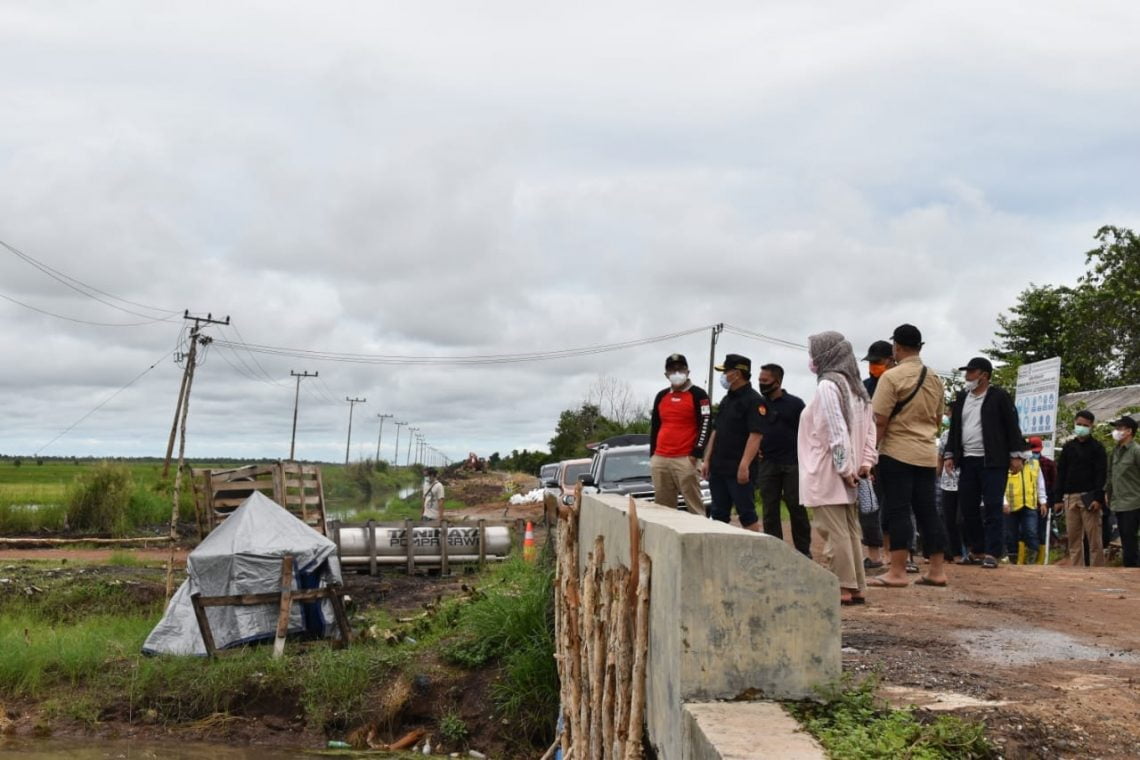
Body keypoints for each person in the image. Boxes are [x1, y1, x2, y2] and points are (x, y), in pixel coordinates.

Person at [798, 332, 878, 605]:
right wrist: (865, 464)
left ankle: (842, 586)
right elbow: (871, 432)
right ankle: (856, 586)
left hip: (828, 471)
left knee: (834, 532)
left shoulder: (828, 387)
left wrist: (845, 468)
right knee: (849, 530)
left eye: (814, 352)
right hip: (851, 471)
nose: (811, 359)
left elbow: (836, 430)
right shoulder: (858, 388)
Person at [866, 324, 949, 587]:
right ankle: (937, 571)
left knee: (898, 509)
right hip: (925, 452)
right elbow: (938, 420)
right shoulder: (935, 379)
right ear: (920, 347)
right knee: (928, 511)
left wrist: (869, 455)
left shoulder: (891, 378)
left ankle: (898, 572)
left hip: (897, 451)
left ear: (896, 347)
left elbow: (880, 421)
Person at [944, 356, 1026, 569]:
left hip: (993, 461)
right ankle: (977, 549)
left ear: (984, 376)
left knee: (992, 506)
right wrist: (950, 454)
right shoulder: (962, 398)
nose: (967, 376)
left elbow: (1012, 426)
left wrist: (1016, 454)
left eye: (971, 372)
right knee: (968, 508)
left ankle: (992, 552)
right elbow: (955, 429)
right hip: (968, 460)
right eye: (967, 372)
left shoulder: (999, 397)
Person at [701, 354, 763, 532]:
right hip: (719, 468)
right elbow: (716, 431)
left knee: (746, 514)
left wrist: (744, 465)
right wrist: (707, 459)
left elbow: (756, 435)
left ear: (736, 374)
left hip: (738, 469)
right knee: (718, 513)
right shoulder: (727, 400)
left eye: (726, 371)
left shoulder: (754, 401)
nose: (724, 375)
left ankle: (755, 554)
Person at [756, 363, 811, 557]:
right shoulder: (759, 404)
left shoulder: (796, 404)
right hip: (767, 463)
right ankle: (775, 552)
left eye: (765, 380)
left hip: (792, 463)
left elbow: (808, 432)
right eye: (760, 380)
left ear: (777, 381)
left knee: (796, 507)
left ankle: (804, 552)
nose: (761, 383)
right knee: (769, 509)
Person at [649, 353, 712, 515]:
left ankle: (699, 539)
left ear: (687, 371)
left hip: (686, 459)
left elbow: (706, 424)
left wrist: (696, 453)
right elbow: (655, 426)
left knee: (694, 506)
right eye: (672, 370)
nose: (676, 373)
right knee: (663, 509)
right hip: (661, 458)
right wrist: (653, 454)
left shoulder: (699, 395)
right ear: (666, 374)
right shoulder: (661, 396)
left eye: (680, 369)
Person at [1051, 410, 1107, 567]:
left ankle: (1097, 570)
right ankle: (1077, 569)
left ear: (1091, 426)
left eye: (1085, 425)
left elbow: (1101, 474)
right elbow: (1061, 473)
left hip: (1089, 497)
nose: (1081, 427)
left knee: (1094, 538)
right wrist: (1058, 499)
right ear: (1074, 424)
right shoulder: (1068, 447)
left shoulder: (1097, 448)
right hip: (1070, 497)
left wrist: (1098, 498)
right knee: (1074, 538)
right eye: (1079, 424)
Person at [860, 340, 894, 569]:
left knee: (893, 505)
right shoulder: (862, 388)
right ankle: (874, 554)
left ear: (890, 362)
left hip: (893, 451)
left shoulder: (897, 385)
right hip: (867, 454)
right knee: (868, 505)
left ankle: (893, 553)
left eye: (877, 362)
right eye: (871, 363)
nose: (873, 366)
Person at [1106, 415, 1140, 568]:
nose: (1116, 431)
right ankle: (1131, 569)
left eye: (1119, 428)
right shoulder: (1116, 451)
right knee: (1125, 539)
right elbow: (1111, 475)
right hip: (1118, 502)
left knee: (1129, 538)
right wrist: (1108, 493)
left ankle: (1132, 570)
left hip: (1133, 502)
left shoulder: (1136, 451)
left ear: (1129, 431)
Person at [1003, 451, 1046, 564]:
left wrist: (1043, 501)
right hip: (1011, 506)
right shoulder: (1005, 466)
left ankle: (1031, 560)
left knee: (1031, 532)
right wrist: (1004, 502)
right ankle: (1014, 559)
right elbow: (1001, 485)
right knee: (1011, 535)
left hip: (1029, 504)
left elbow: (1040, 483)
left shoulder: (1034, 464)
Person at [938, 408, 963, 562]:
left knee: (962, 519)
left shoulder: (967, 435)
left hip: (965, 482)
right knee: (949, 519)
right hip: (947, 484)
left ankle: (972, 550)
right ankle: (955, 553)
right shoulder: (945, 436)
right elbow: (939, 458)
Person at [1029, 436, 1057, 562]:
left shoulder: (1049, 464)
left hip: (1042, 504)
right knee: (1027, 531)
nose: (1035, 454)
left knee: (1041, 531)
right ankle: (1025, 557)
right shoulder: (1024, 464)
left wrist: (1047, 502)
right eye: (1033, 451)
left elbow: (1054, 484)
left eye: (1036, 451)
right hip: (1027, 503)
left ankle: (1039, 560)